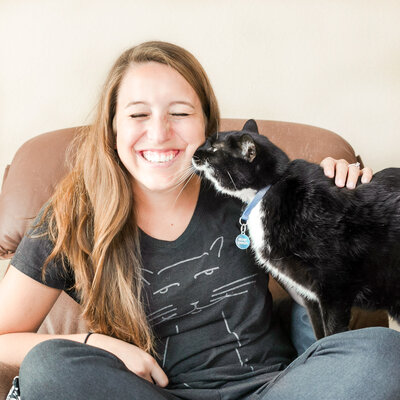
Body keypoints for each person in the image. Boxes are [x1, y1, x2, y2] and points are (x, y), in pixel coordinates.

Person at [0, 41, 398, 400]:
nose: (159, 133)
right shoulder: (73, 215)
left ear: (205, 124)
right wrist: (97, 344)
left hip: (278, 389)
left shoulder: (244, 188)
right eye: (138, 114)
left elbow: (323, 281)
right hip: (151, 395)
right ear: (112, 128)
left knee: (383, 353)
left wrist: (336, 199)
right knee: (49, 366)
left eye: (180, 112)